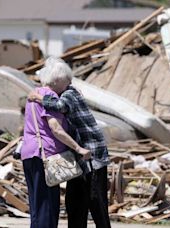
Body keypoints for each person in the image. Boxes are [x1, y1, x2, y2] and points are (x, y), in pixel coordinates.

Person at [29, 57, 111, 228]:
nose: (69, 82)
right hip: (78, 155)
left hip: (92, 154)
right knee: (75, 202)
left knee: (96, 202)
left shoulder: (69, 93)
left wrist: (38, 98)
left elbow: (59, 106)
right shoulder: (63, 91)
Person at [21, 57, 91, 228]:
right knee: (47, 205)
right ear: (58, 79)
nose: (68, 86)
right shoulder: (50, 96)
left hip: (29, 152)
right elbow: (56, 128)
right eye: (67, 81)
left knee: (37, 205)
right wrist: (78, 148)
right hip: (44, 154)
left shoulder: (34, 94)